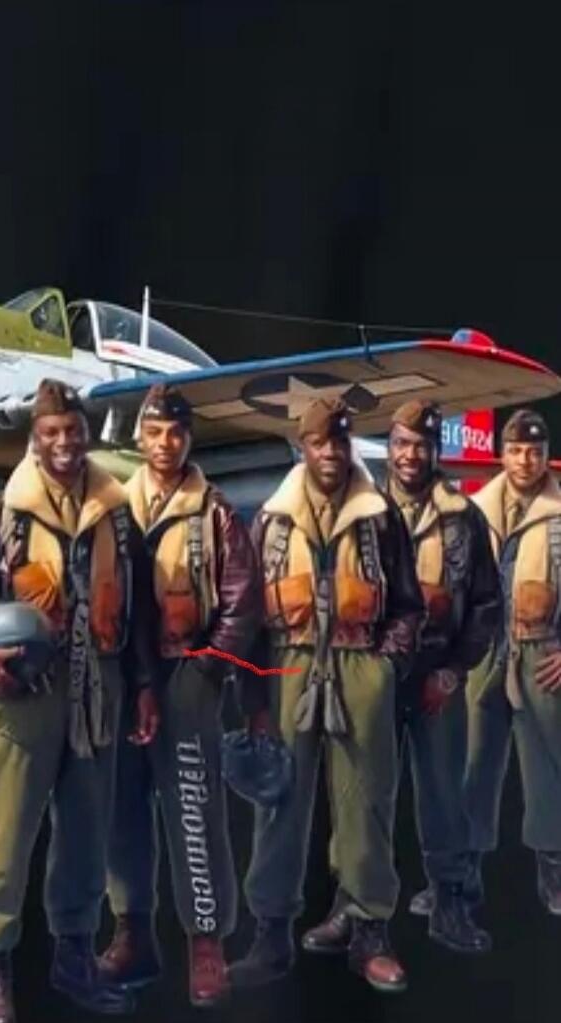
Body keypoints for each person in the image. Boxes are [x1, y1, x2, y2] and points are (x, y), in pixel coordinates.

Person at [0, 378, 159, 1023]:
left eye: (72, 432)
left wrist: (143, 686)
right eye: (51, 434)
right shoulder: (3, 513)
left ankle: (74, 956)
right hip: (23, 696)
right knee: (3, 839)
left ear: (86, 435)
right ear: (36, 439)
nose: (63, 444)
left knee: (86, 836)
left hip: (98, 691)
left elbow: (139, 607)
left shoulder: (116, 512)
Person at [231, 397, 423, 994]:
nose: (332, 455)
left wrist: (387, 663)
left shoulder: (380, 516)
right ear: (303, 447)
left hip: (360, 659)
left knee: (367, 797)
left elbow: (409, 605)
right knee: (278, 803)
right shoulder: (271, 518)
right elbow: (248, 617)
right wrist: (253, 696)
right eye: (320, 444)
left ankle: (369, 927)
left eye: (340, 443)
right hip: (288, 665)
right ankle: (270, 931)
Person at [98, 384, 263, 1007]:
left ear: (189, 440)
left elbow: (243, 601)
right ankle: (131, 930)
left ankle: (206, 945)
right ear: (139, 438)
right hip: (124, 677)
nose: (165, 444)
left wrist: (208, 667)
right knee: (123, 809)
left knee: (194, 810)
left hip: (186, 675)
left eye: (176, 434)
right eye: (155, 433)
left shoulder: (215, 511)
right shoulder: (115, 508)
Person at [383, 399, 500, 952]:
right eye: (403, 443)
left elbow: (485, 603)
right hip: (376, 675)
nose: (411, 455)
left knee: (442, 796)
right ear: (390, 444)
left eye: (422, 446)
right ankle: (360, 914)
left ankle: (450, 903)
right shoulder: (363, 507)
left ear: (436, 449)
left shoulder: (464, 516)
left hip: (436, 674)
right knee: (362, 796)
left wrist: (455, 671)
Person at [464, 409, 561, 917]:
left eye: (535, 450)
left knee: (545, 765)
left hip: (541, 651)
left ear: (546, 455)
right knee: (476, 765)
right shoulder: (477, 511)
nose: (526, 460)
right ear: (502, 453)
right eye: (517, 449)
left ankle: (553, 866)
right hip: (486, 653)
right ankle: (464, 873)